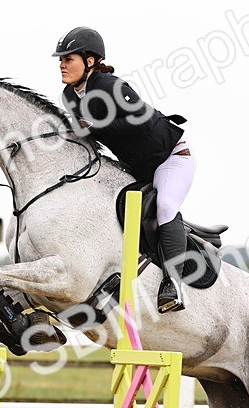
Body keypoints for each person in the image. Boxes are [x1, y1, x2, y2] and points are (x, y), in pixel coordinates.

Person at [54, 26, 194, 313]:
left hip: (172, 157)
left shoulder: (110, 86)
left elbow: (141, 120)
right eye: (61, 59)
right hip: (137, 167)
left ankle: (174, 284)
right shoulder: (69, 96)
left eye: (69, 58)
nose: (62, 64)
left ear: (89, 61)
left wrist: (93, 126)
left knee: (166, 205)